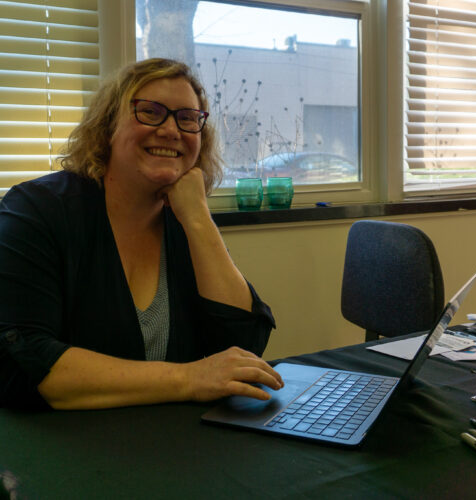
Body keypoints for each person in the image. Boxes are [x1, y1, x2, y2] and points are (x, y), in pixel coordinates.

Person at [0, 58, 283, 410]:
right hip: (60, 446)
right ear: (106, 128)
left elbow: (244, 343)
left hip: (168, 442)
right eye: (149, 112)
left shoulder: (184, 220)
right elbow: (28, 360)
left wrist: (198, 219)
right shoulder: (35, 210)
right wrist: (190, 379)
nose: (171, 130)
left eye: (187, 118)